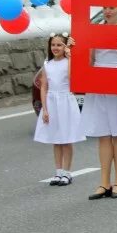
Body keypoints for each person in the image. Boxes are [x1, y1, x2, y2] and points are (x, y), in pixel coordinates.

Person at [77, 6, 117, 200]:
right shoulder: (95, 30)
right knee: (103, 134)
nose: (107, 12)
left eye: (111, 8)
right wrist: (78, 47)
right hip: (99, 80)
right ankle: (104, 183)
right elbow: (91, 60)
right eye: (104, 8)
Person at [34, 33, 85, 186]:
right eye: (53, 45)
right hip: (51, 101)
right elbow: (44, 87)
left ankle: (67, 172)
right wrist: (45, 109)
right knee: (56, 139)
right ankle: (58, 171)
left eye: (59, 45)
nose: (56, 48)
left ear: (65, 47)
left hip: (65, 101)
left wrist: (70, 57)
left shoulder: (68, 62)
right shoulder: (47, 64)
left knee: (66, 138)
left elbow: (71, 78)